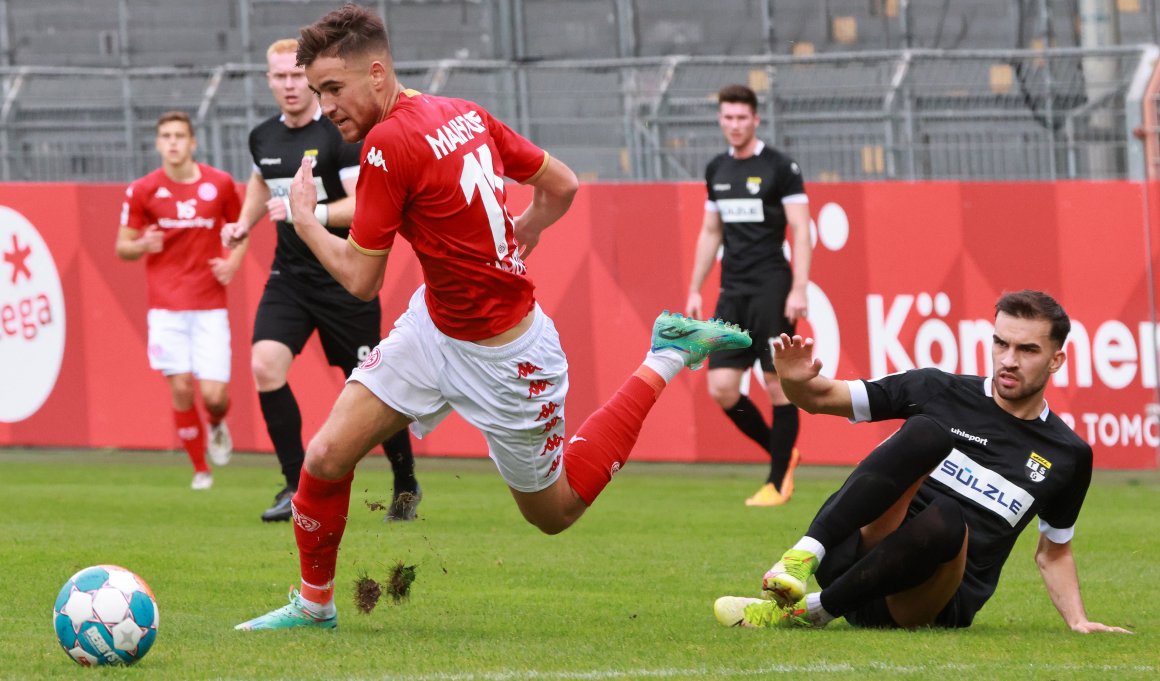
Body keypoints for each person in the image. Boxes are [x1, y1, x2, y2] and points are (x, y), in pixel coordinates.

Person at [234, 3, 752, 631]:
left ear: (376, 73)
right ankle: (314, 606)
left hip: (510, 358)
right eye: (316, 92)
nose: (324, 105)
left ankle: (665, 354)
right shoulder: (462, 112)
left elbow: (362, 281)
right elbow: (561, 185)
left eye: (333, 89)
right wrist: (524, 228)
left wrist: (307, 219)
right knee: (324, 457)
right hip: (435, 328)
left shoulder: (385, 145)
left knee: (553, 511)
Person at [714, 290, 1132, 634]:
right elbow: (821, 397)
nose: (1008, 359)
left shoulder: (1068, 455)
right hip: (853, 560)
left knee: (948, 516)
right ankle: (802, 557)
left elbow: (1053, 552)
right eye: (1001, 343)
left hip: (921, 603)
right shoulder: (936, 389)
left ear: (1056, 360)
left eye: (1027, 349)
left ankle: (812, 611)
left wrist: (1078, 621)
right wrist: (792, 379)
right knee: (928, 432)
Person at [221, 38, 419, 523]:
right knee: (265, 365)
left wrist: (303, 211)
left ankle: (405, 481)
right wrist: (243, 224)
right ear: (268, 80)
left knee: (374, 387)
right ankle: (293, 485)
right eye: (279, 77)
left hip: (341, 276)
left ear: (308, 80)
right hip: (288, 278)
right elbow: (259, 184)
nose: (289, 85)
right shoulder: (262, 137)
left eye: (296, 77)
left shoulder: (338, 134)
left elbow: (361, 205)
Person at [685, 84, 812, 508]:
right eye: (728, 117)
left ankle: (777, 483)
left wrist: (798, 288)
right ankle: (782, 453)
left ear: (756, 119)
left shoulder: (780, 167)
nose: (735, 125)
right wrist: (694, 288)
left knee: (777, 385)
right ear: (720, 120)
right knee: (721, 388)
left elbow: (801, 229)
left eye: (742, 118)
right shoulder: (716, 169)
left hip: (772, 288)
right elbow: (710, 232)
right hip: (732, 291)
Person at [116, 110, 245, 490]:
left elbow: (239, 232)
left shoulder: (219, 184)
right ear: (158, 143)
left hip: (209, 306)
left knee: (214, 395)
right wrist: (142, 244)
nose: (172, 142)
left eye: (179, 136)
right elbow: (122, 247)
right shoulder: (142, 190)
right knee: (182, 388)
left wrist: (232, 262)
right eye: (166, 136)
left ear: (193, 143)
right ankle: (199, 469)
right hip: (166, 308)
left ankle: (218, 424)